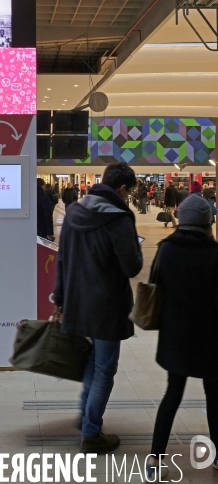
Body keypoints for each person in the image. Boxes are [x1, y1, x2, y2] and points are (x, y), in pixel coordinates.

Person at [54, 162, 143, 454]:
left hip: (78, 302)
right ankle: (92, 433)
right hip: (107, 306)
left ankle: (86, 418)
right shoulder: (119, 219)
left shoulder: (74, 212)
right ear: (121, 189)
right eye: (129, 192)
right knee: (105, 368)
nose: (129, 197)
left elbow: (62, 259)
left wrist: (61, 298)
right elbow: (132, 266)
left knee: (94, 360)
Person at [146, 194, 218, 482]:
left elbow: (153, 287)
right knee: (214, 396)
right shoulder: (215, 253)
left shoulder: (166, 250)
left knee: (172, 395)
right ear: (207, 222)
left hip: (175, 334)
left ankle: (156, 457)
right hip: (211, 337)